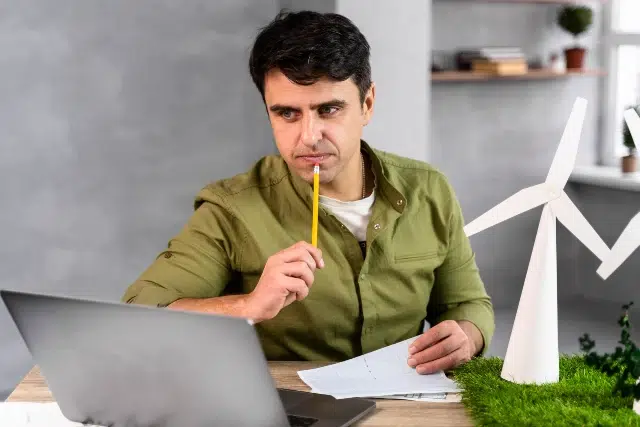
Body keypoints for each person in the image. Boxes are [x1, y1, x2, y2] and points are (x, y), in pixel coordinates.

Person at [121, 9, 495, 375]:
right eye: (287, 114)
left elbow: (468, 303)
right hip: (293, 410)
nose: (309, 137)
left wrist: (467, 334)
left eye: (329, 109)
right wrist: (249, 306)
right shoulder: (231, 208)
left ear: (367, 104)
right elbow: (141, 314)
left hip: (407, 406)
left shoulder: (429, 189)